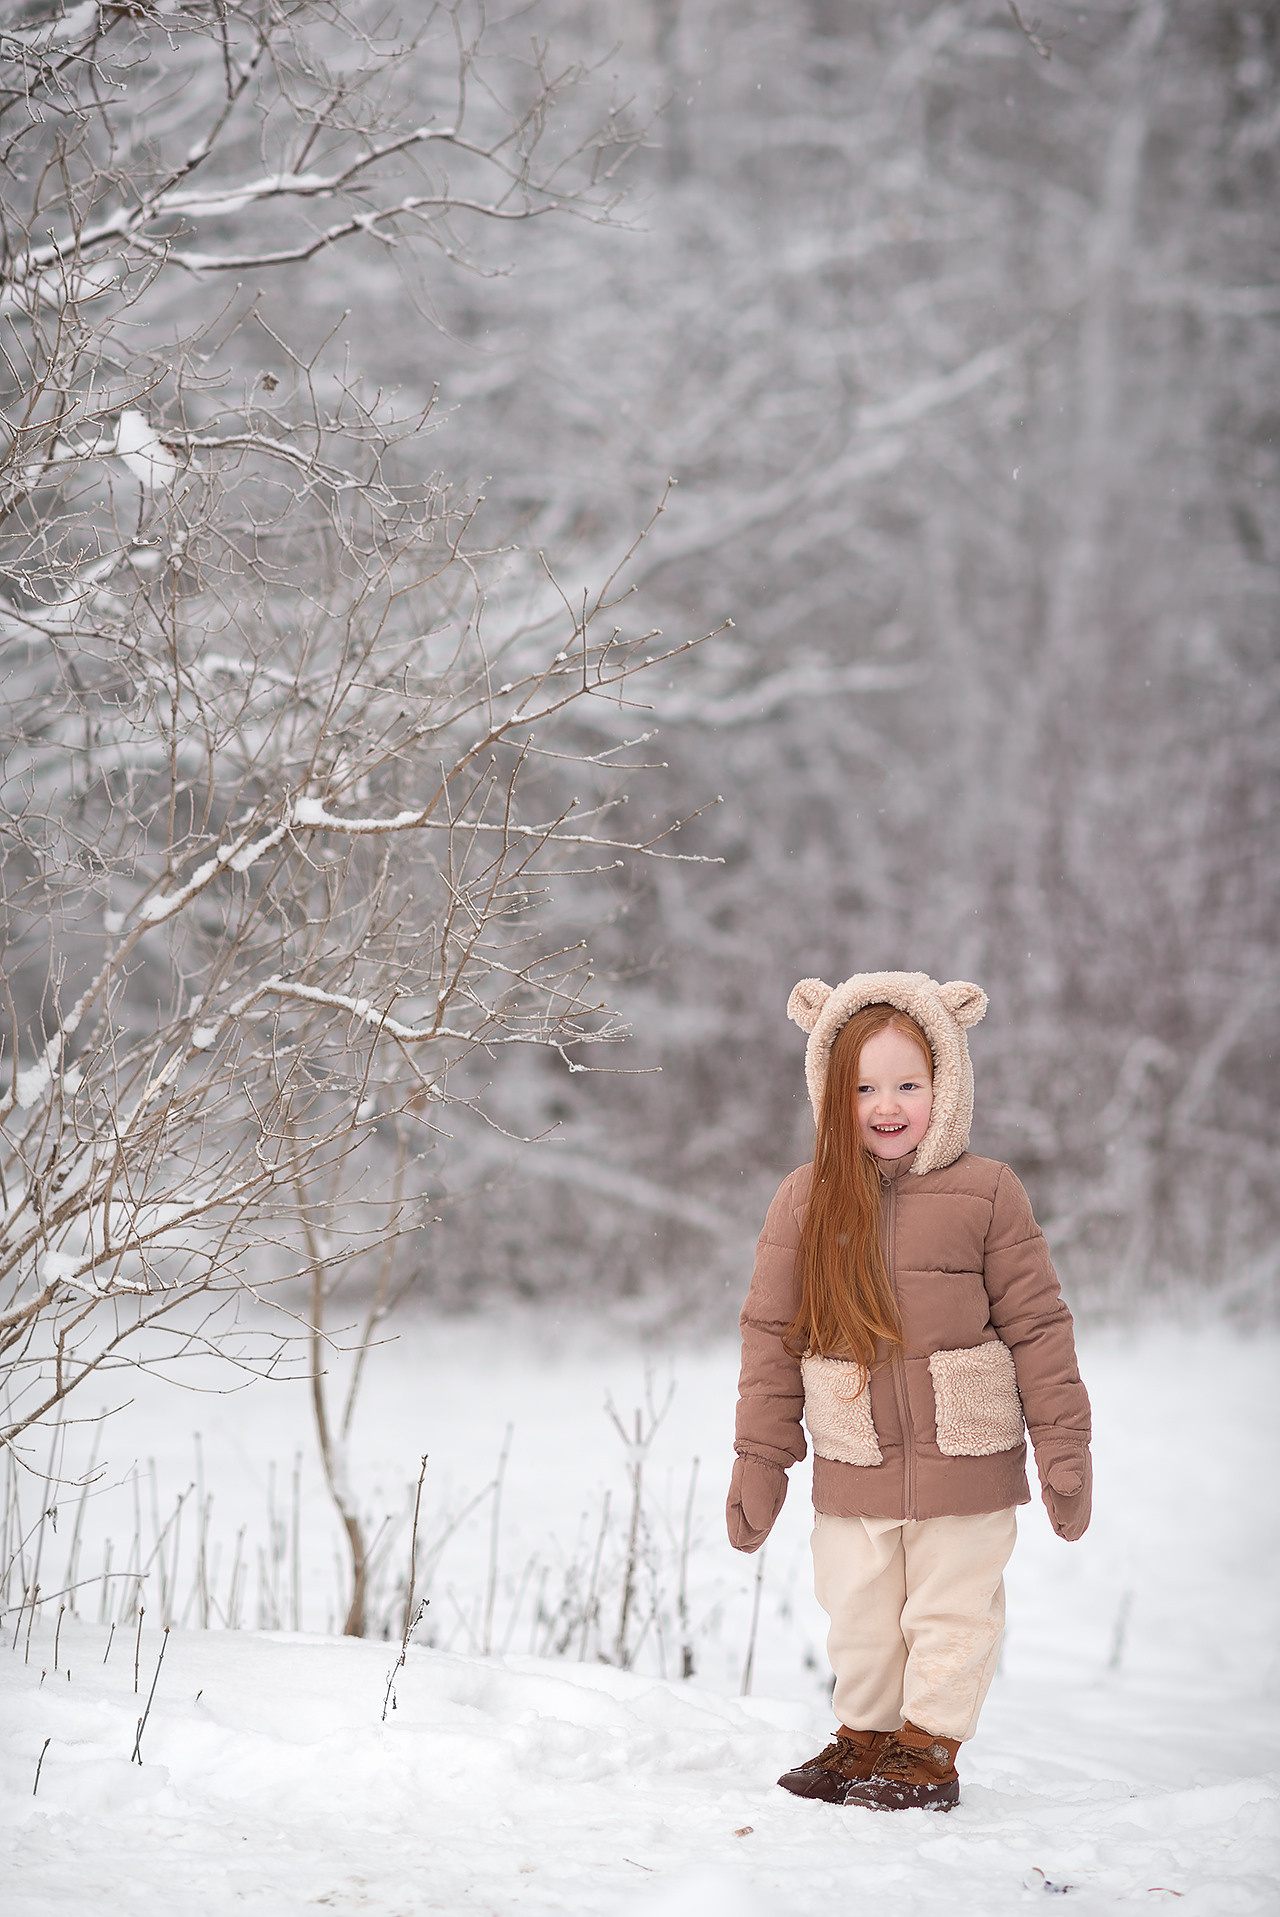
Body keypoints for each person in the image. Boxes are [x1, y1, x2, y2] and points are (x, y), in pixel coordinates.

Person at [726, 970, 1091, 1812]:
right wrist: (761, 1458)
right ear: (830, 1091)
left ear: (947, 1083)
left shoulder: (989, 1192)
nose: (886, 1104)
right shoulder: (805, 1199)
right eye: (863, 1086)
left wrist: (1063, 1447)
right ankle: (864, 1734)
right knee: (855, 1609)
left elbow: (1039, 1325)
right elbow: (772, 1337)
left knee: (950, 1613)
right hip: (856, 1456)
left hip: (966, 1454)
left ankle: (928, 1746)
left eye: (908, 1083)